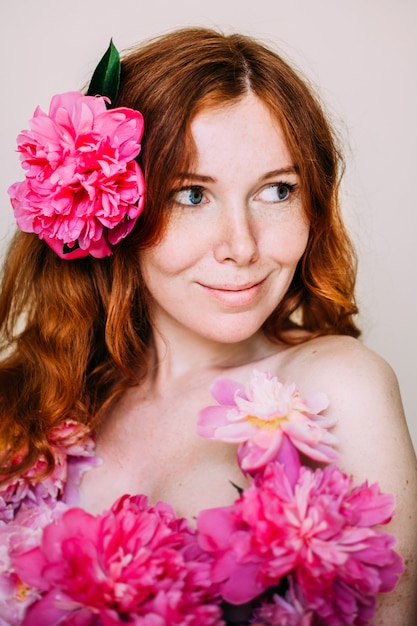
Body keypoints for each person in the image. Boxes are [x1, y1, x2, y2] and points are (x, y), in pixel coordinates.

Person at [0, 26, 416, 625]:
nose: (242, 246)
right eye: (191, 196)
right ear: (116, 204)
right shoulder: (32, 403)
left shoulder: (340, 389)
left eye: (277, 191)